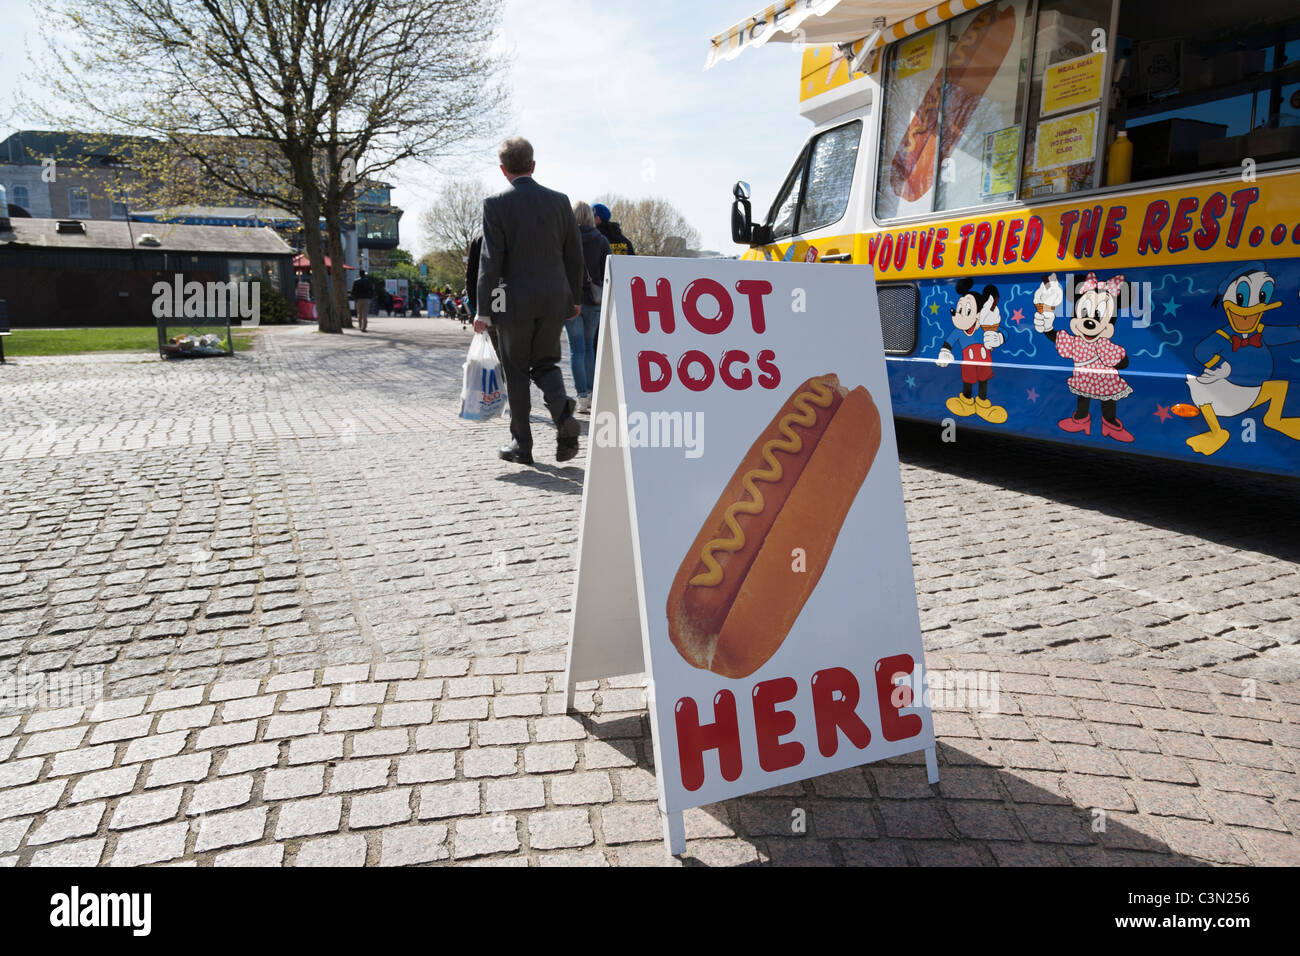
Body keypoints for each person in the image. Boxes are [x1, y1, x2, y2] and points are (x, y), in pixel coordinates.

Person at [474, 136, 583, 466]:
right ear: (533, 166)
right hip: (553, 299)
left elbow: (490, 260)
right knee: (547, 363)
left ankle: (522, 445)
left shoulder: (495, 205)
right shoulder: (560, 201)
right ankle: (564, 416)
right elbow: (574, 254)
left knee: (517, 371)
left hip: (513, 302)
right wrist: (574, 298)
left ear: (503, 169)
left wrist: (483, 309)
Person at [569, 201, 609, 413]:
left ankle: (582, 397)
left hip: (571, 302)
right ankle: (593, 394)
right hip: (594, 300)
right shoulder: (601, 240)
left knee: (576, 350)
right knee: (589, 348)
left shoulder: (566, 238)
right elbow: (607, 271)